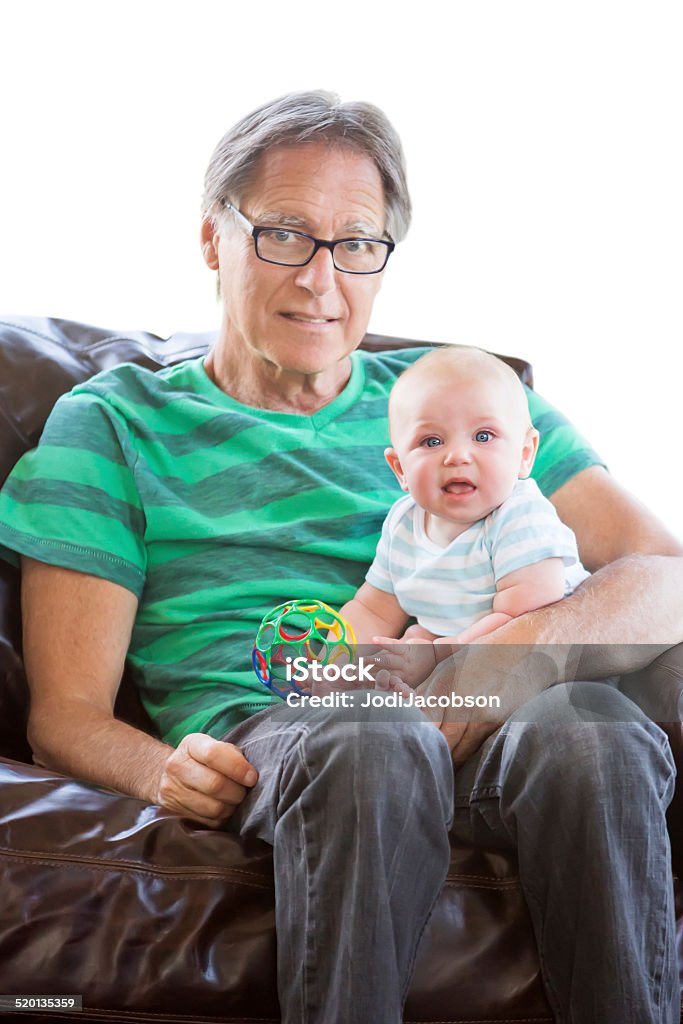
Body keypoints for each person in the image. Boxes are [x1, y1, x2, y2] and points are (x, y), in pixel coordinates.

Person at [0, 91, 681, 1023]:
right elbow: (64, 716)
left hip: (475, 720)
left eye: (356, 244)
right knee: (376, 735)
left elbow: (664, 574)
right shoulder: (115, 425)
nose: (322, 280)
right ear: (214, 239)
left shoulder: (463, 404)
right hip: (281, 734)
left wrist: (517, 653)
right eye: (284, 234)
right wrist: (160, 771)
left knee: (596, 730)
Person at [340, 347, 590, 686]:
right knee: (408, 645)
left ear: (525, 454)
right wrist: (338, 662)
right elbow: (373, 609)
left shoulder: (520, 517)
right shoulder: (402, 524)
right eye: (431, 441)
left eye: (483, 436)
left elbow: (521, 620)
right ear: (400, 469)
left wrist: (437, 655)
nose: (457, 456)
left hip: (548, 663)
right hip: (455, 648)